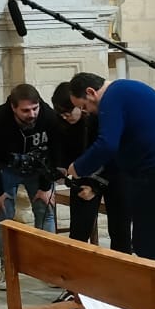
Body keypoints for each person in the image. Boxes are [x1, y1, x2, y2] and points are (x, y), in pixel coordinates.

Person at [55, 73, 155, 266]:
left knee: (151, 236)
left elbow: (107, 145)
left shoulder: (113, 97)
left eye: (84, 106)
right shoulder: (125, 89)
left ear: (91, 92)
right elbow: (118, 149)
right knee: (147, 236)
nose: (87, 112)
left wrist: (77, 168)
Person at [0, 83, 61, 291]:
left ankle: (49, 267)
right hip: (7, 169)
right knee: (4, 216)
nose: (32, 114)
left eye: (35, 108)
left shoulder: (48, 117)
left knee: (46, 212)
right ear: (13, 107)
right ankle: (7, 268)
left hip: (39, 170)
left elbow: (55, 152)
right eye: (26, 110)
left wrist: (46, 186)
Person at [53, 82, 132, 254]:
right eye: (61, 115)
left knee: (120, 230)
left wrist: (96, 186)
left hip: (115, 175)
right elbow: (64, 153)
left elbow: (111, 154)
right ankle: (76, 275)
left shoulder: (98, 117)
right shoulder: (61, 123)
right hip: (83, 179)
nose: (65, 117)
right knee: (79, 231)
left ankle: (123, 275)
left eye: (68, 112)